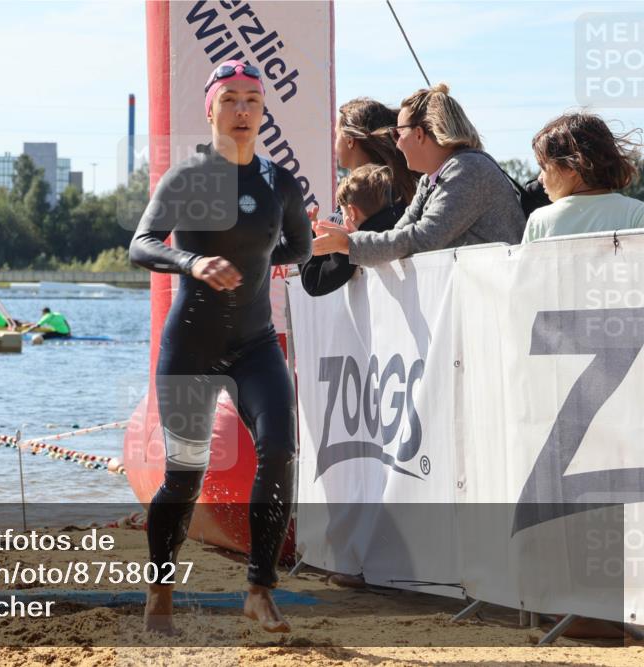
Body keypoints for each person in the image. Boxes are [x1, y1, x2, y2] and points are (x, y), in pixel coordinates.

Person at [129, 60, 310, 634]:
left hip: (255, 343)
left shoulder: (279, 182)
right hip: (191, 345)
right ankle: (160, 591)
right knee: (185, 473)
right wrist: (192, 261)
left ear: (263, 112)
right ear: (209, 109)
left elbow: (299, 249)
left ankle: (259, 589)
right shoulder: (186, 177)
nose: (240, 110)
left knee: (280, 450)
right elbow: (141, 244)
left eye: (251, 101)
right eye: (229, 99)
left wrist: (255, 265)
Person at [312, 83, 526, 264]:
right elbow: (400, 235)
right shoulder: (432, 177)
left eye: (398, 132)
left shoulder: (468, 168)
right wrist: (352, 239)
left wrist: (350, 243)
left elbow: (424, 238)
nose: (396, 142)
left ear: (419, 134)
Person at [301, 98, 422, 296]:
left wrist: (304, 236)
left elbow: (316, 280)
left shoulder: (368, 197)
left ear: (350, 140)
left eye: (336, 136)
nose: (334, 143)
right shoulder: (392, 189)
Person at [523, 112, 643, 242]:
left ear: (571, 167)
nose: (540, 178)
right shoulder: (637, 213)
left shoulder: (539, 221)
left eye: (543, 168)